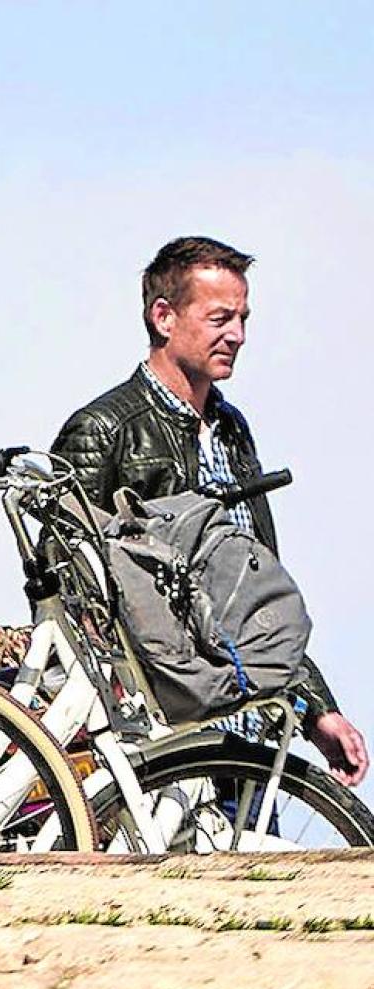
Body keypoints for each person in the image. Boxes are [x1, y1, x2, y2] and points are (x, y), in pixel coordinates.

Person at [51, 236, 367, 785]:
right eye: (221, 317)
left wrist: (318, 710)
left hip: (238, 712)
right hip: (155, 723)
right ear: (164, 317)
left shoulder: (232, 430)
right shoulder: (103, 429)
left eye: (244, 317)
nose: (238, 335)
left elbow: (252, 592)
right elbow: (61, 579)